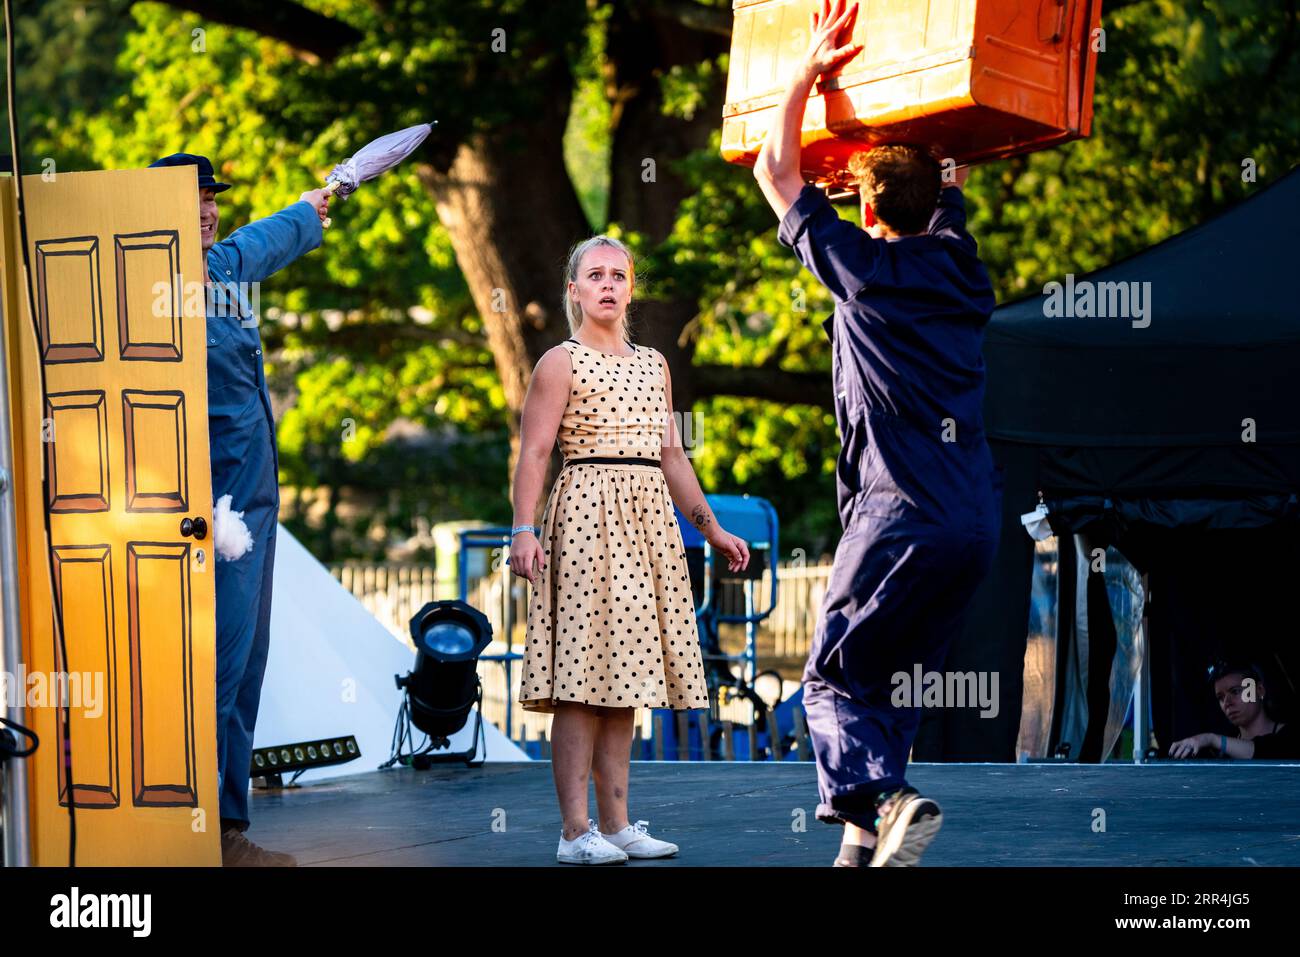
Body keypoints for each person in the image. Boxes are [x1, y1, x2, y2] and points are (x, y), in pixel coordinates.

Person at [752, 0, 1002, 866]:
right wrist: (938, 168)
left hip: (899, 515)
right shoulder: (963, 273)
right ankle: (863, 847)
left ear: (865, 209)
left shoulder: (862, 270)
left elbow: (772, 172)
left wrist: (806, 72)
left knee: (829, 677)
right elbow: (948, 209)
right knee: (888, 679)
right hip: (975, 523)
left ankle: (889, 798)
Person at [510, 235, 751, 864]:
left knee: (629, 674)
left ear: (631, 288)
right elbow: (534, 452)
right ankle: (572, 834)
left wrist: (713, 528)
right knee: (580, 682)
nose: (609, 285)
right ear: (575, 290)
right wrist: (523, 529)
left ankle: (615, 826)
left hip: (648, 520)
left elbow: (672, 454)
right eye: (596, 275)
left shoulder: (655, 364)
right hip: (586, 512)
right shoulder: (559, 362)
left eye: (620, 275)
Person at [147, 153, 331, 866]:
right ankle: (191, 836)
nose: (205, 209)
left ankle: (222, 829)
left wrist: (315, 206)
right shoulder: (150, 287)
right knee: (210, 670)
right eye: (189, 200)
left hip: (250, 515)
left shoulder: (221, 270)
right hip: (203, 517)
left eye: (209, 199)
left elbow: (271, 236)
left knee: (244, 668)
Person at [1169, 661, 1297, 760]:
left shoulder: (1290, 736)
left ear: (1259, 690)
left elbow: (1266, 752)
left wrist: (1212, 739)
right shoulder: (1220, 752)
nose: (1227, 703)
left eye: (1235, 691)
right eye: (1220, 697)